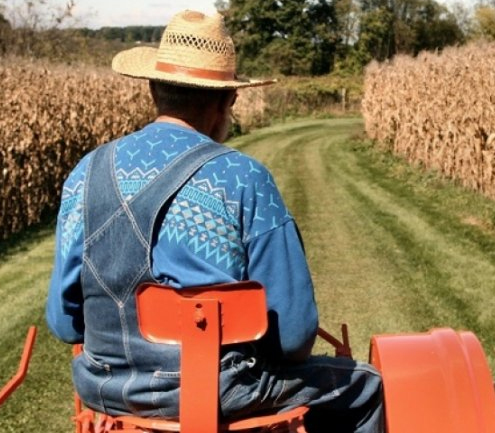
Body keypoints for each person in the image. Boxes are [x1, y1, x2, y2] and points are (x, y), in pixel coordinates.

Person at [45, 10, 383, 433]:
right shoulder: (243, 179)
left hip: (107, 390)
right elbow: (295, 336)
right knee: (369, 387)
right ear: (228, 100)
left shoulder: (85, 174)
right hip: (221, 392)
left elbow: (63, 323)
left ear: (153, 90)